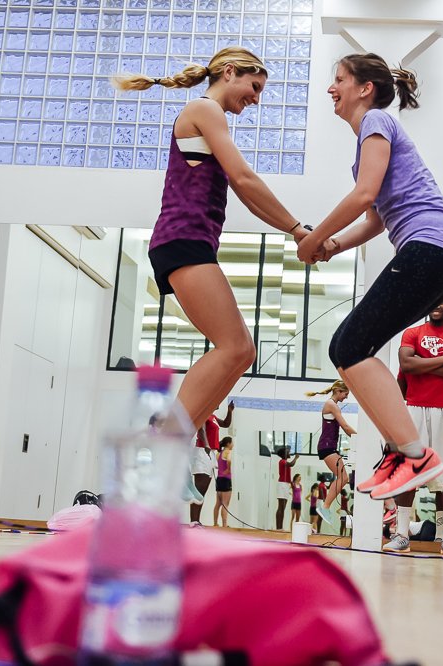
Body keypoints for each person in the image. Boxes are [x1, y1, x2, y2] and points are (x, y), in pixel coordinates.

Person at [297, 53, 443, 503]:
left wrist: (316, 236)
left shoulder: (376, 121)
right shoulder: (366, 144)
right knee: (347, 348)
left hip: (432, 248)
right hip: (435, 253)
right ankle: (402, 451)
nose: (331, 89)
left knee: (350, 345)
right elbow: (376, 217)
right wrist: (333, 245)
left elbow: (364, 195)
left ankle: (414, 454)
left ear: (364, 87)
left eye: (338, 80)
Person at [113, 48, 306, 436]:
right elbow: (245, 179)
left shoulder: (211, 117)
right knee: (233, 347)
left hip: (189, 242)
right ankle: (165, 437)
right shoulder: (205, 110)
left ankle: (179, 440)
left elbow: (247, 194)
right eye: (254, 87)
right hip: (181, 240)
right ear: (230, 72)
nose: (256, 98)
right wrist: (299, 229)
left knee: (243, 351)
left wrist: (295, 230)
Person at [386, 296, 443, 556]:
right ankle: (402, 534)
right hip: (414, 409)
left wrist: (422, 366)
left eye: (442, 301)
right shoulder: (412, 333)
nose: (436, 304)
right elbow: (406, 364)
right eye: (432, 300)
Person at [305, 380, 356, 526]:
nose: (346, 397)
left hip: (329, 447)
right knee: (344, 477)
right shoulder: (331, 405)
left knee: (343, 477)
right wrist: (361, 438)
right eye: (345, 394)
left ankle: (325, 506)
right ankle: (325, 506)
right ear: (339, 391)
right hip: (326, 447)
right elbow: (345, 427)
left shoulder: (333, 405)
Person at [187, 402, 233, 526]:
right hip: (202, 451)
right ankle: (194, 520)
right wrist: (207, 445)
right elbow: (201, 430)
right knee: (199, 488)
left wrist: (230, 411)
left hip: (210, 452)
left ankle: (196, 520)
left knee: (204, 489)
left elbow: (226, 424)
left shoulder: (213, 417)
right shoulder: (205, 414)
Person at [275, 447, 300, 530]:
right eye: (288, 452)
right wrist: (296, 458)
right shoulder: (282, 461)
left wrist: (292, 486)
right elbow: (291, 464)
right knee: (281, 507)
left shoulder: (284, 462)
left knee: (283, 507)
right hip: (282, 484)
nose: (289, 453)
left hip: (285, 485)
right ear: (283, 454)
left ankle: (280, 527)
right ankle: (278, 528)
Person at [213, 437, 233, 528]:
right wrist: (228, 469)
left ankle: (215, 523)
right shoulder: (228, 452)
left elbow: (215, 465)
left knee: (218, 503)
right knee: (225, 503)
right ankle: (224, 524)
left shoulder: (219, 453)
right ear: (228, 444)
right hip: (226, 479)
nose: (233, 445)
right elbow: (228, 460)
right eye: (232, 443)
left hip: (219, 479)